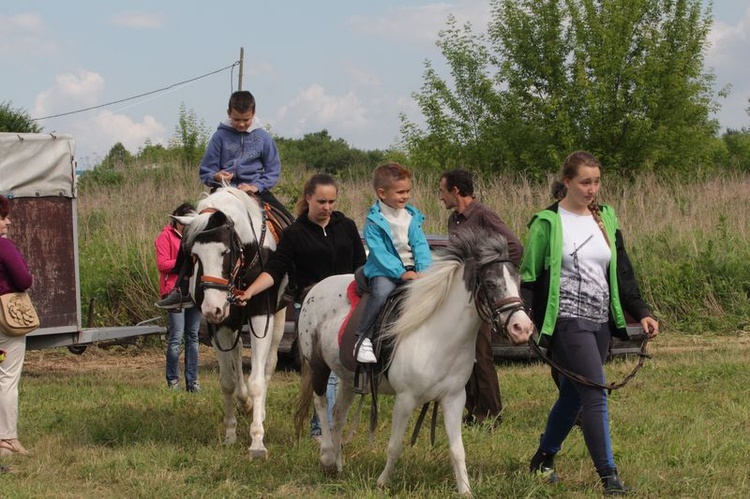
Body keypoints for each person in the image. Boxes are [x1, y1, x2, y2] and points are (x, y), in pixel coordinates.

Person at [520, 151, 659, 495]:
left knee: (574, 394)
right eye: (585, 181)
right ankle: (609, 476)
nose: (592, 188)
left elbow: (622, 271)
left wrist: (641, 310)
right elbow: (529, 277)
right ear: (566, 181)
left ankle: (543, 457)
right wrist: (526, 320)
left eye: (596, 181)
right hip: (565, 320)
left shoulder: (606, 217)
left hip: (600, 322)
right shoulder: (547, 223)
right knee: (595, 391)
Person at [236, 173, 366, 437]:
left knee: (347, 367)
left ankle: (330, 424)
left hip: (347, 302)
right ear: (308, 198)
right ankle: (322, 429)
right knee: (325, 367)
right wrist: (249, 291)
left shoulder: (347, 226)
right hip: (313, 307)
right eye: (321, 201)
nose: (327, 207)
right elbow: (274, 270)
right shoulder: (295, 234)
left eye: (331, 201)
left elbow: (360, 267)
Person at [157, 90, 293, 309]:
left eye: (246, 120)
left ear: (254, 114)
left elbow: (273, 170)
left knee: (290, 225)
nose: (241, 124)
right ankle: (182, 288)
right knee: (192, 231)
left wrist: (256, 186)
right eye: (236, 119)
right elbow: (205, 171)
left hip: (254, 192)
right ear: (228, 113)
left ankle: (293, 282)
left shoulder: (263, 138)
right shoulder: (219, 137)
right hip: (223, 193)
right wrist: (217, 176)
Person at [439, 169, 523, 427]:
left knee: (481, 351)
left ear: (456, 190)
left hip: (483, 296)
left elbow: (514, 246)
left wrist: (493, 273)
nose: (440, 197)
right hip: (461, 297)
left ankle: (491, 412)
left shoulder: (483, 214)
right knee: (463, 352)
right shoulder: (454, 220)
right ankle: (473, 408)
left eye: (442, 191)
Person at [354, 162, 432, 364]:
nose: (405, 196)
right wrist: (399, 272)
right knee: (380, 294)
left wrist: (424, 269)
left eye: (407, 191)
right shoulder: (374, 220)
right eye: (400, 192)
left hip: (413, 269)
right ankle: (363, 338)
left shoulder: (411, 216)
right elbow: (379, 252)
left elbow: (420, 244)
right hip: (384, 271)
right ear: (382, 193)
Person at [155, 203, 202, 392]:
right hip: (174, 291)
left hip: (193, 290)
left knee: (193, 336)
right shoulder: (165, 236)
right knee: (176, 338)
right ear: (177, 219)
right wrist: (184, 261)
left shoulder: (195, 236)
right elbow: (162, 264)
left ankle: (192, 381)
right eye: (185, 223)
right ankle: (173, 380)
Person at [0, 195, 34, 457]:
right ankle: (7, 439)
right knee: (7, 378)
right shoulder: (4, 247)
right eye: (3, 217)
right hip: (4, 322)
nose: (8, 222)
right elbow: (23, 280)